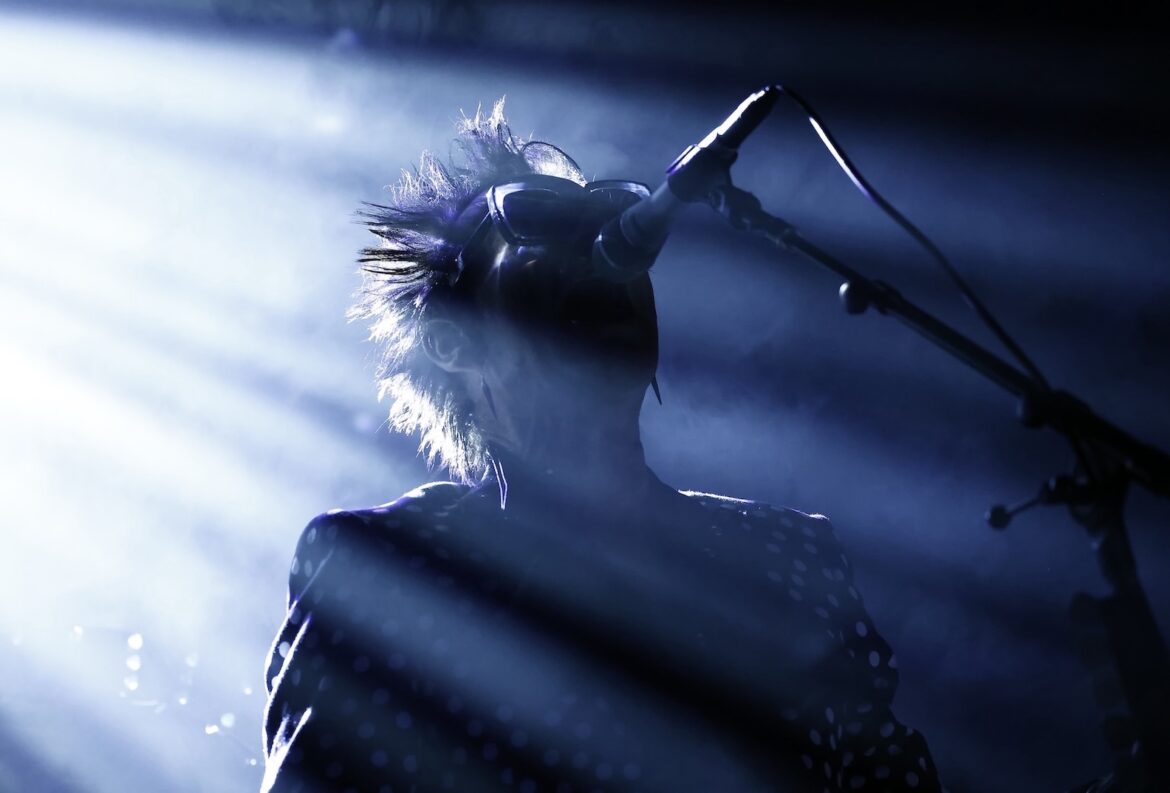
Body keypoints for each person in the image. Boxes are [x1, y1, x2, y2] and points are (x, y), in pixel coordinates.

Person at [260, 99, 944, 793]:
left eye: (612, 237)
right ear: (451, 340)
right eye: (545, 234)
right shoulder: (383, 569)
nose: (602, 259)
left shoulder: (789, 555)